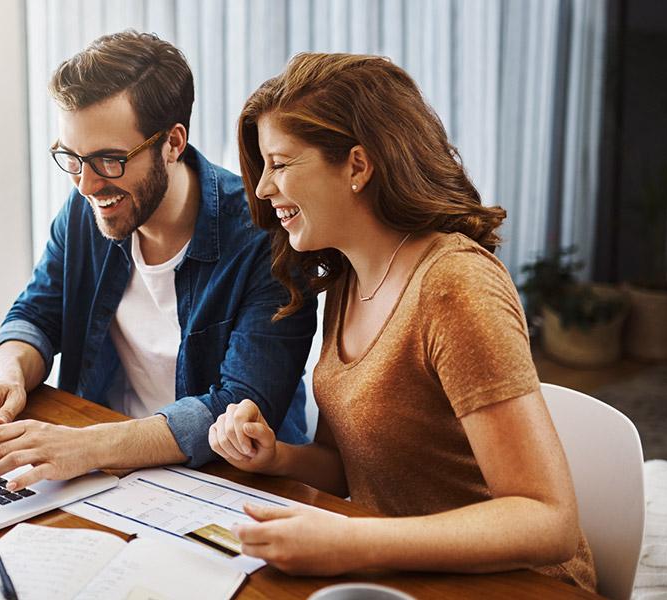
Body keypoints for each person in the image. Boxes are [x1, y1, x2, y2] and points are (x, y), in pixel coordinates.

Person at [209, 52, 596, 591]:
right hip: (406, 576)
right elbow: (350, 467)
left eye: (280, 163)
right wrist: (276, 456)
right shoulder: (348, 279)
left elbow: (547, 521)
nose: (262, 189)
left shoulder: (454, 286)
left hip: (521, 585)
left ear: (358, 167)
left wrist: (350, 543)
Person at [0, 30, 318, 492]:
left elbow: (240, 404)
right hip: (104, 472)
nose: (85, 185)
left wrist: (87, 446)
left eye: (108, 160)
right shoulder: (91, 210)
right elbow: (36, 315)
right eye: (72, 159)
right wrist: (8, 375)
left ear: (173, 143)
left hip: (227, 486)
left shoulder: (263, 237)